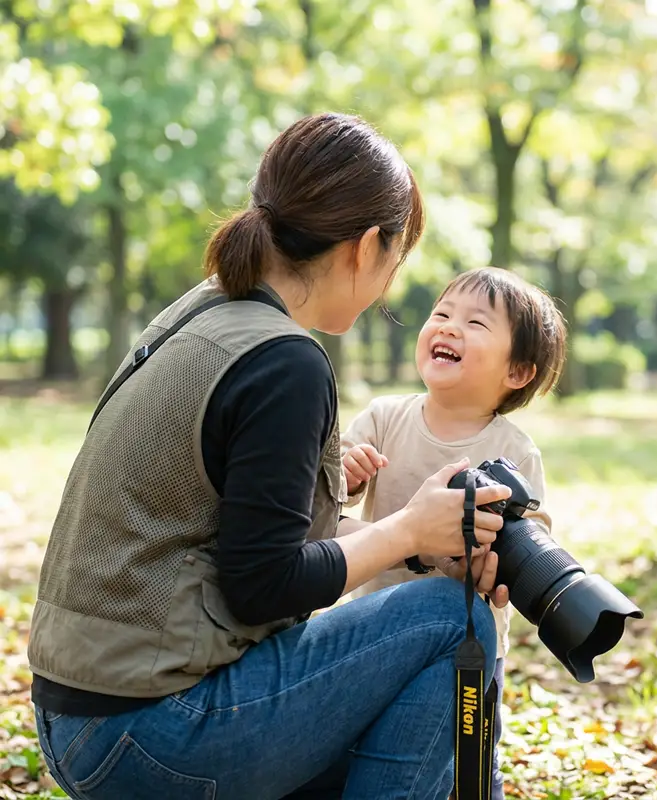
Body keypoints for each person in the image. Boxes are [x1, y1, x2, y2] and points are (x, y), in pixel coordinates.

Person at [26, 113, 513, 800]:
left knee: (418, 725)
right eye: (396, 259)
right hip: (151, 734)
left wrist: (408, 538)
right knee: (451, 618)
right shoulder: (284, 361)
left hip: (79, 718)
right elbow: (264, 585)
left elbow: (241, 538)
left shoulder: (203, 310)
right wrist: (407, 531)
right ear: (365, 248)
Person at [341, 267, 567, 799]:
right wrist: (349, 474)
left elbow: (532, 539)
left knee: (471, 764)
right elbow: (325, 497)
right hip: (378, 626)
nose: (447, 327)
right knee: (377, 745)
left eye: (475, 323)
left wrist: (490, 566)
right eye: (441, 314)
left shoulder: (514, 450)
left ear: (517, 371)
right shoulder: (383, 419)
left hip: (469, 642)